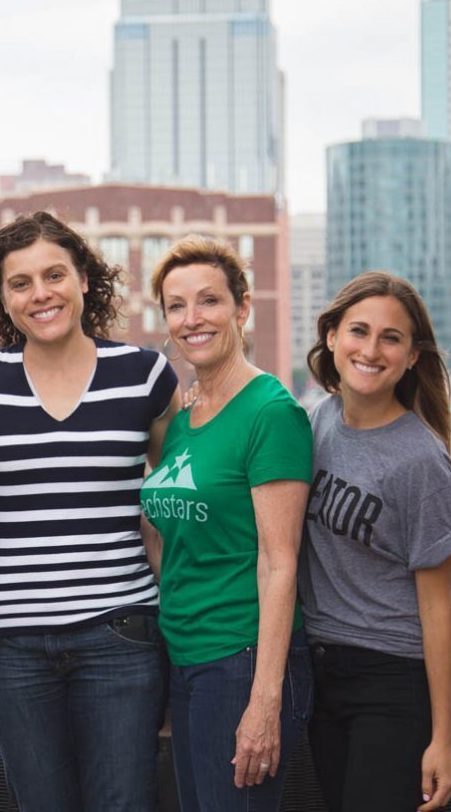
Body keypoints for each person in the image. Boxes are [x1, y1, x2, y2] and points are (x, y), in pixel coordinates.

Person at [0, 212, 178, 811]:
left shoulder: (144, 375)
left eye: (54, 274)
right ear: (2, 299)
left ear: (84, 279)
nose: (40, 294)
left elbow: (183, 499)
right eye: (19, 283)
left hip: (121, 636)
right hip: (12, 645)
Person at [141, 237, 313, 812]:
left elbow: (280, 561)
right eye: (176, 305)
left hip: (240, 661)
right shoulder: (186, 418)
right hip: (184, 657)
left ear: (242, 308)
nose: (193, 319)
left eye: (209, 301)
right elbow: (171, 535)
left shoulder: (271, 412)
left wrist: (265, 699)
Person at [300, 271, 451, 812]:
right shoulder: (314, 423)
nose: (371, 350)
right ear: (331, 337)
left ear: (412, 356)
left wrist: (444, 739)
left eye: (390, 338)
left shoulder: (421, 463)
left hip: (391, 681)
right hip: (320, 673)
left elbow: (438, 607)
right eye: (359, 331)